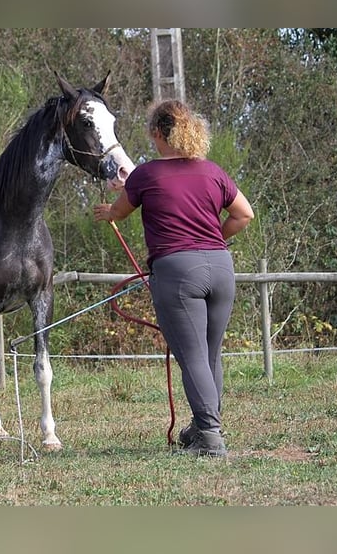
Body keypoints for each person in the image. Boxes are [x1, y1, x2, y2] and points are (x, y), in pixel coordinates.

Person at [93, 99, 254, 457]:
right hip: (221, 268)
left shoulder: (145, 175)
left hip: (178, 272)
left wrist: (108, 211)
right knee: (211, 354)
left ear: (157, 133)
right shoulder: (213, 171)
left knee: (193, 357)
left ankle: (210, 439)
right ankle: (202, 427)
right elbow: (244, 214)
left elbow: (119, 212)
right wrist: (211, 239)